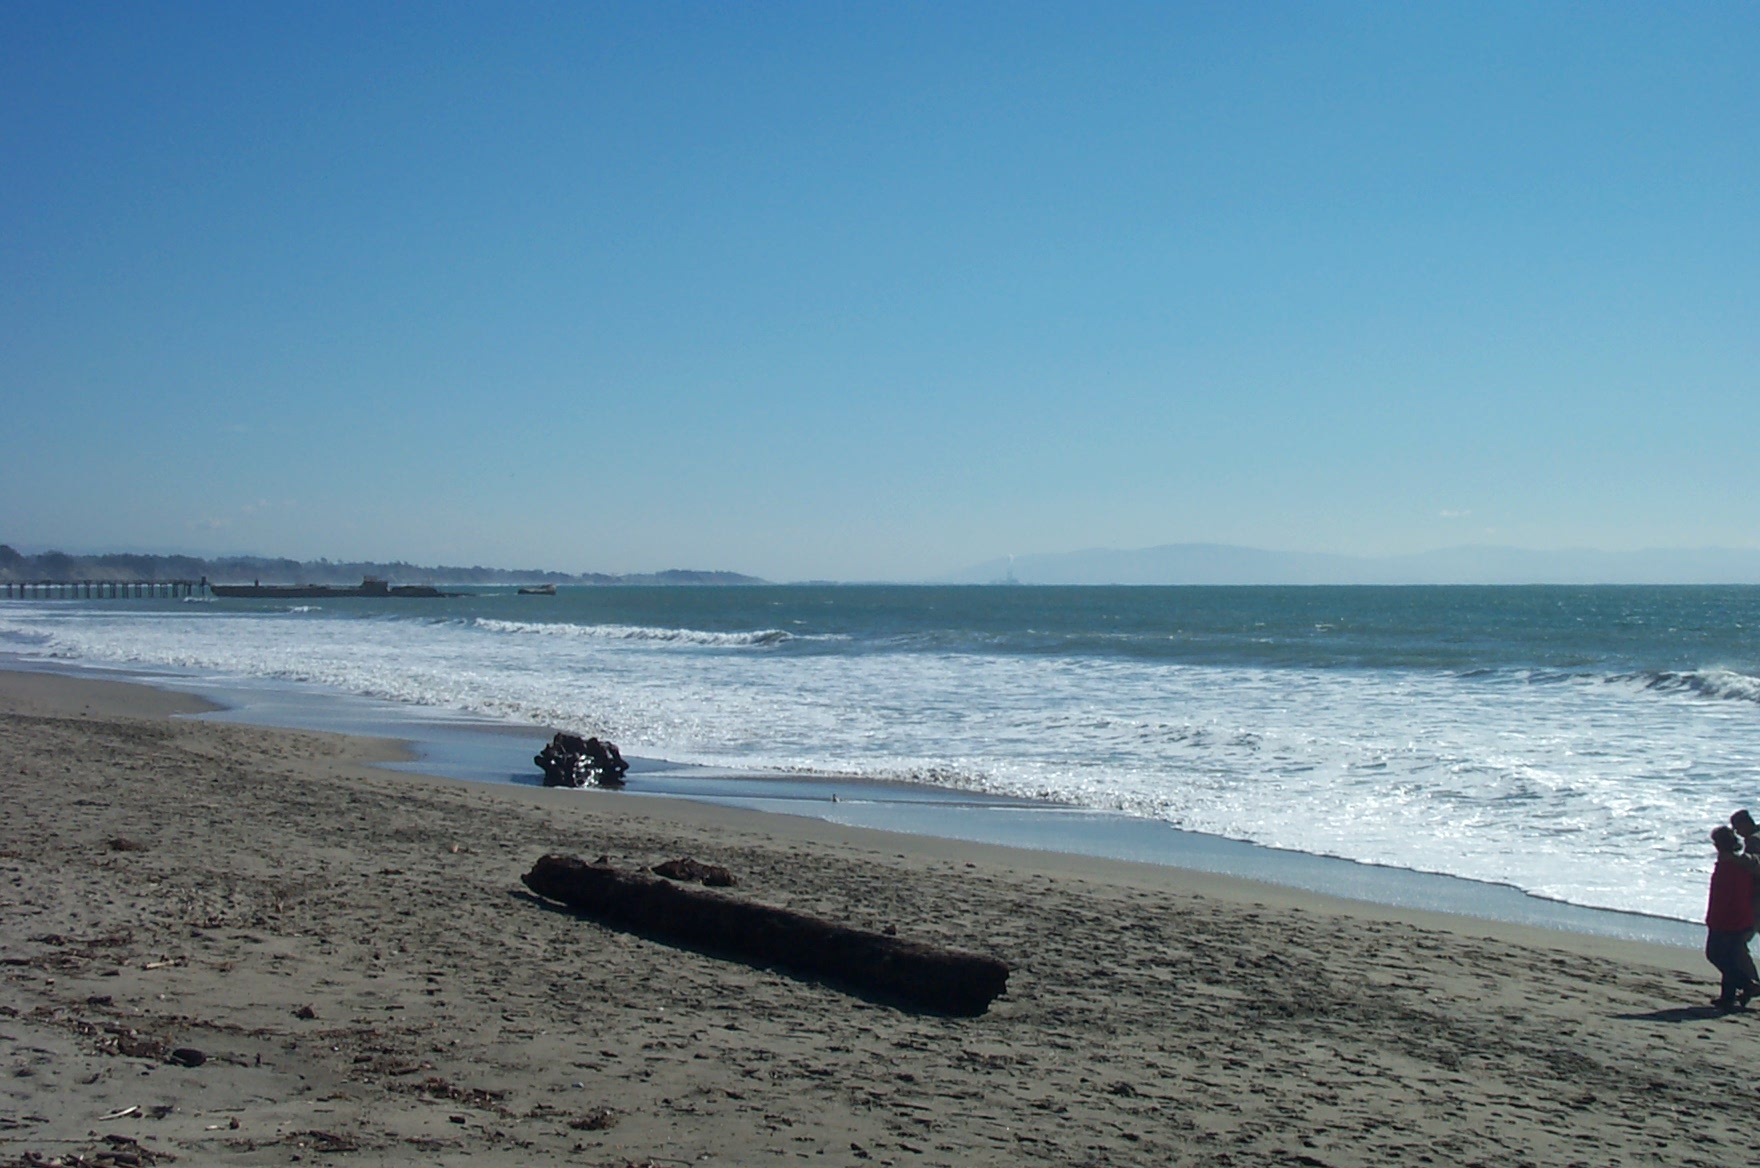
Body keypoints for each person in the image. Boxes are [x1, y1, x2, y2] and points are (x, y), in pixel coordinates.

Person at [1705, 825, 1760, 1010]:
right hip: (1741, 917)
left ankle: (1748, 984)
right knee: (1730, 957)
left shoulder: (1730, 866)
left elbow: (1724, 896)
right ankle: (1728, 997)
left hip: (1727, 918)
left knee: (1715, 955)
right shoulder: (1743, 863)